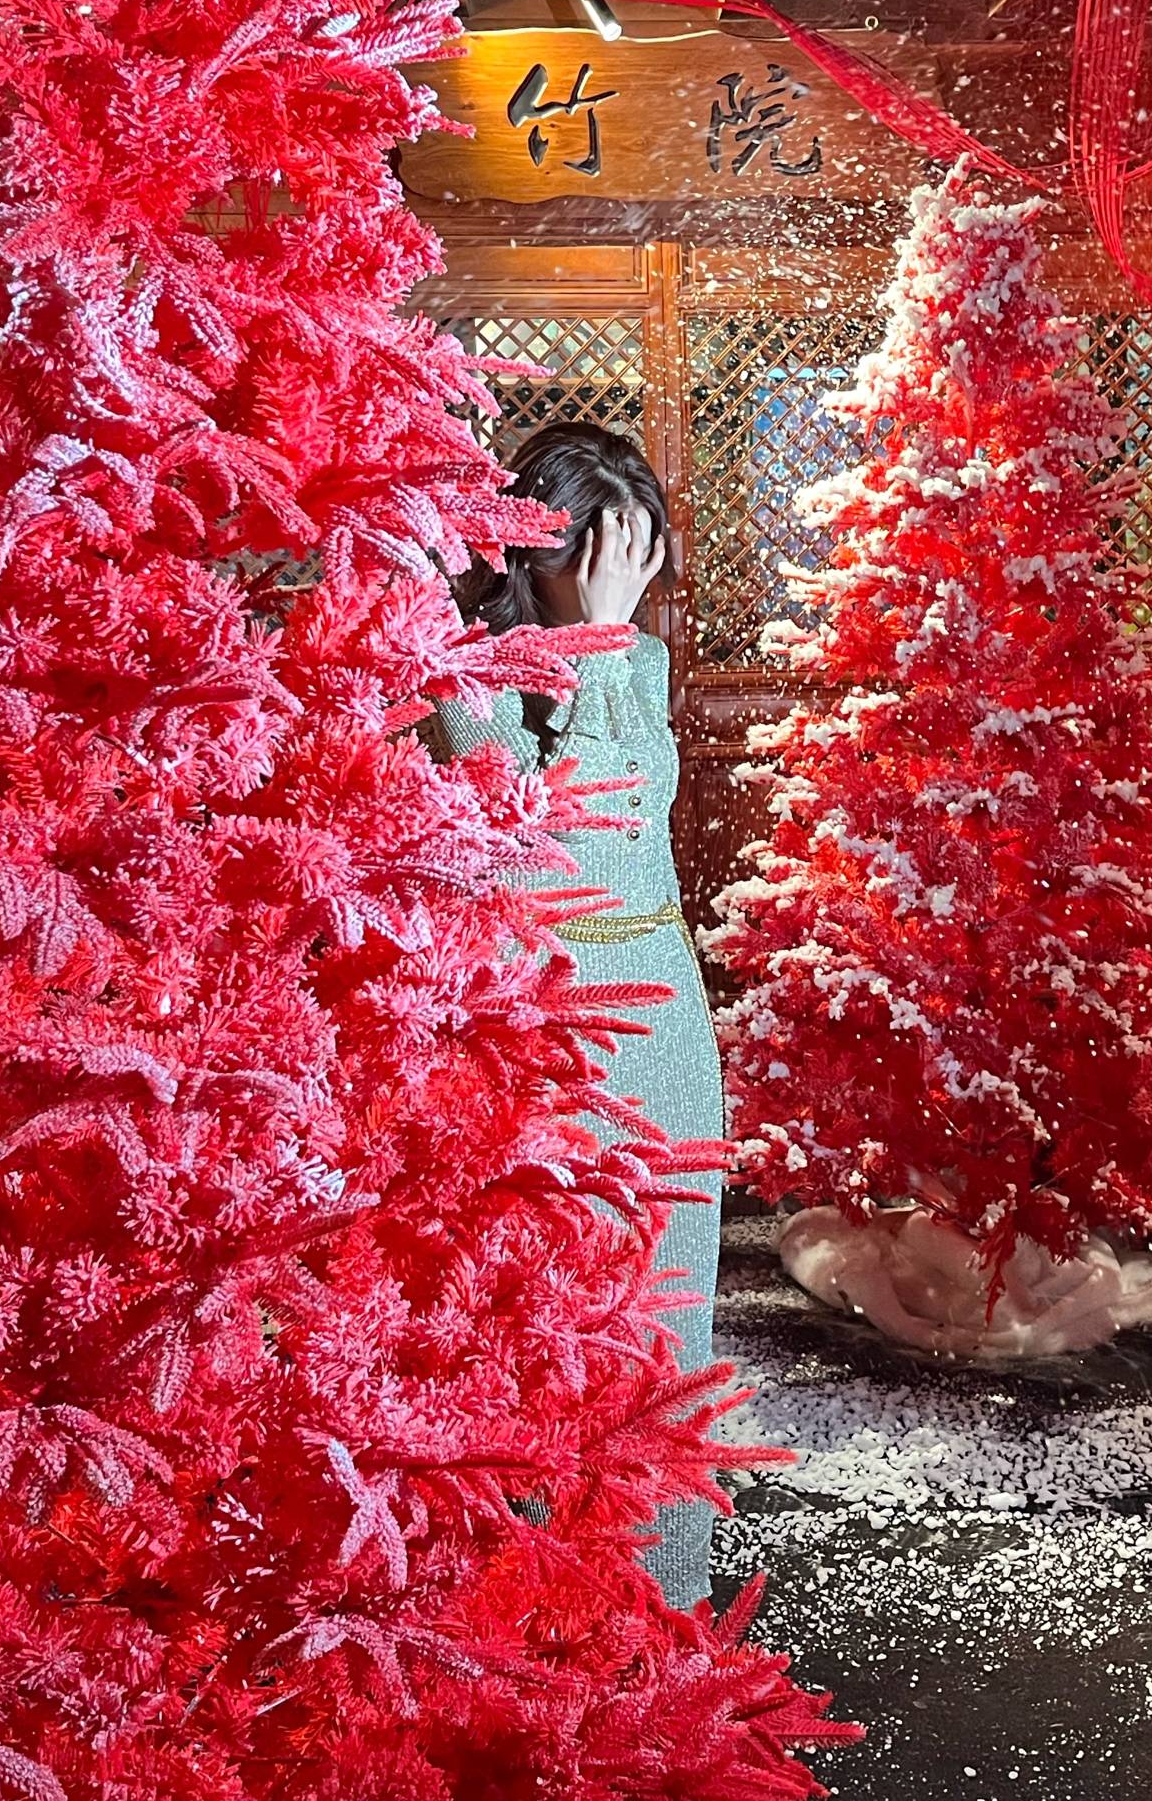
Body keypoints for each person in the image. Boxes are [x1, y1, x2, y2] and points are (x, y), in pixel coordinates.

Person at [432, 421, 723, 1611]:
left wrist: (607, 639)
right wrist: (594, 641)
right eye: (600, 552)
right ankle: (537, 1632)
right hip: (541, 1048)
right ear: (535, 554)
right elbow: (559, 857)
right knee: (542, 1344)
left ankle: (662, 1632)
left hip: (665, 1042)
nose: (624, 576)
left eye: (639, 552)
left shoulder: (632, 660)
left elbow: (628, 829)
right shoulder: (471, 672)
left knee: (664, 1345)